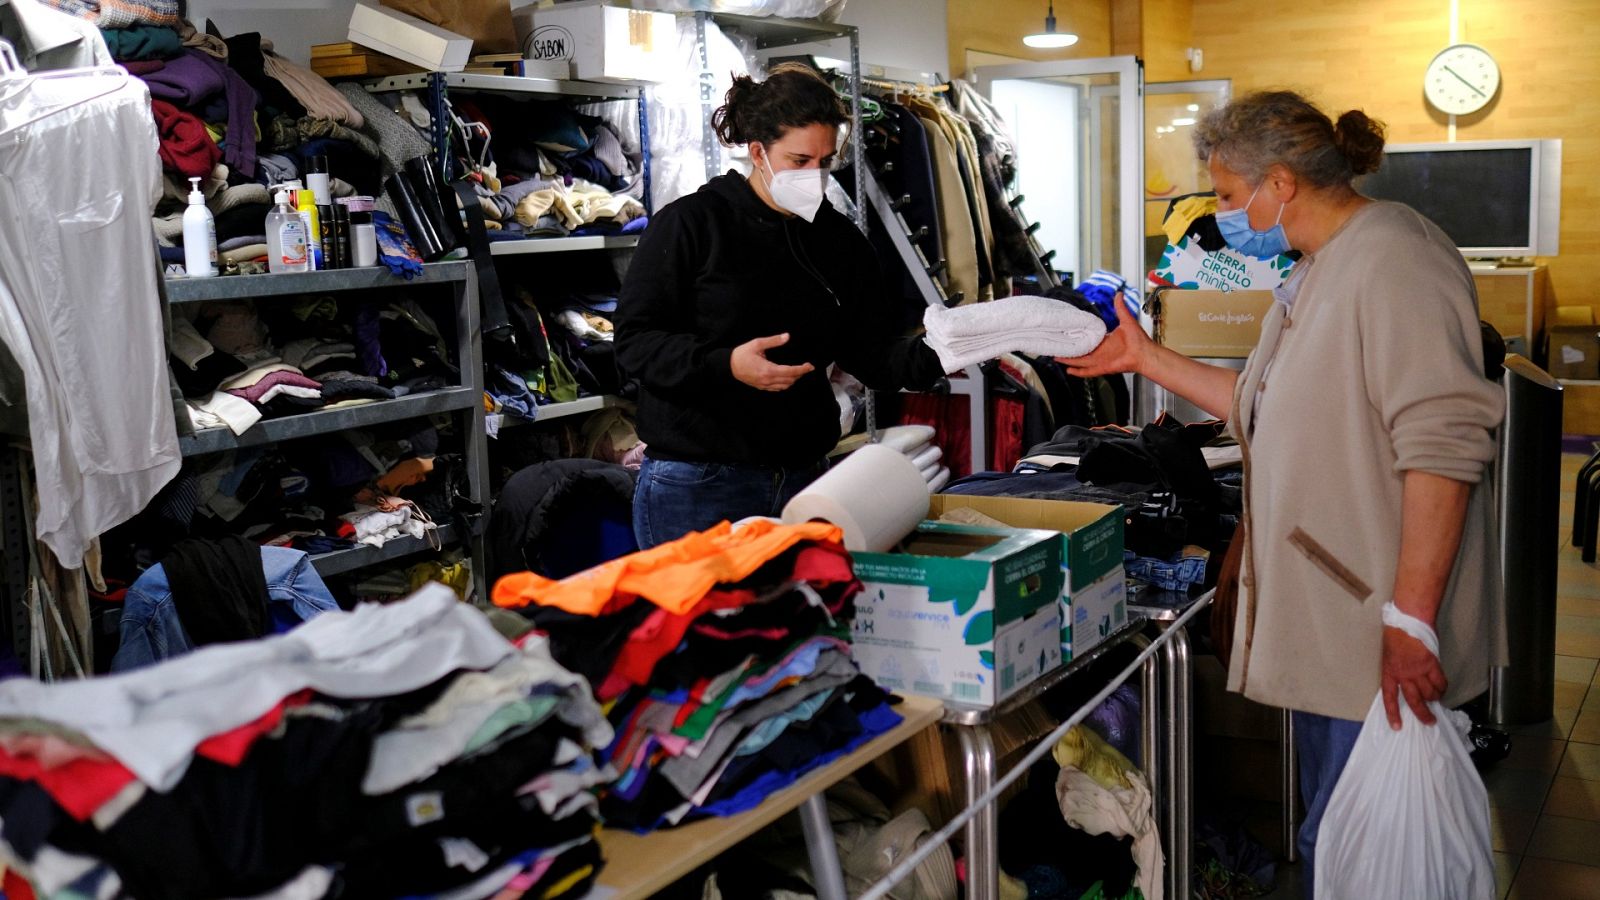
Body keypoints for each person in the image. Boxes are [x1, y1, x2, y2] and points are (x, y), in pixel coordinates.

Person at [1063, 91, 1505, 886]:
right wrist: (1145, 358)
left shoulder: (1396, 259)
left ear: (1281, 182)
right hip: (1332, 617)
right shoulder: (1317, 271)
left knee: (1363, 843)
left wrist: (1412, 620)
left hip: (1373, 625)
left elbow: (1445, 446)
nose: (1226, 214)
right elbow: (1261, 403)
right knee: (1336, 837)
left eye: (1229, 196)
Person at [614, 64, 945, 549]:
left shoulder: (840, 243)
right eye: (798, 160)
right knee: (698, 625)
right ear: (757, 152)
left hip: (805, 481)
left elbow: (872, 356)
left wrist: (950, 348)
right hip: (698, 484)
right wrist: (726, 364)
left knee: (804, 622)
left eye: (826, 162)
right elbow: (634, 344)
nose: (814, 176)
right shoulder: (691, 225)